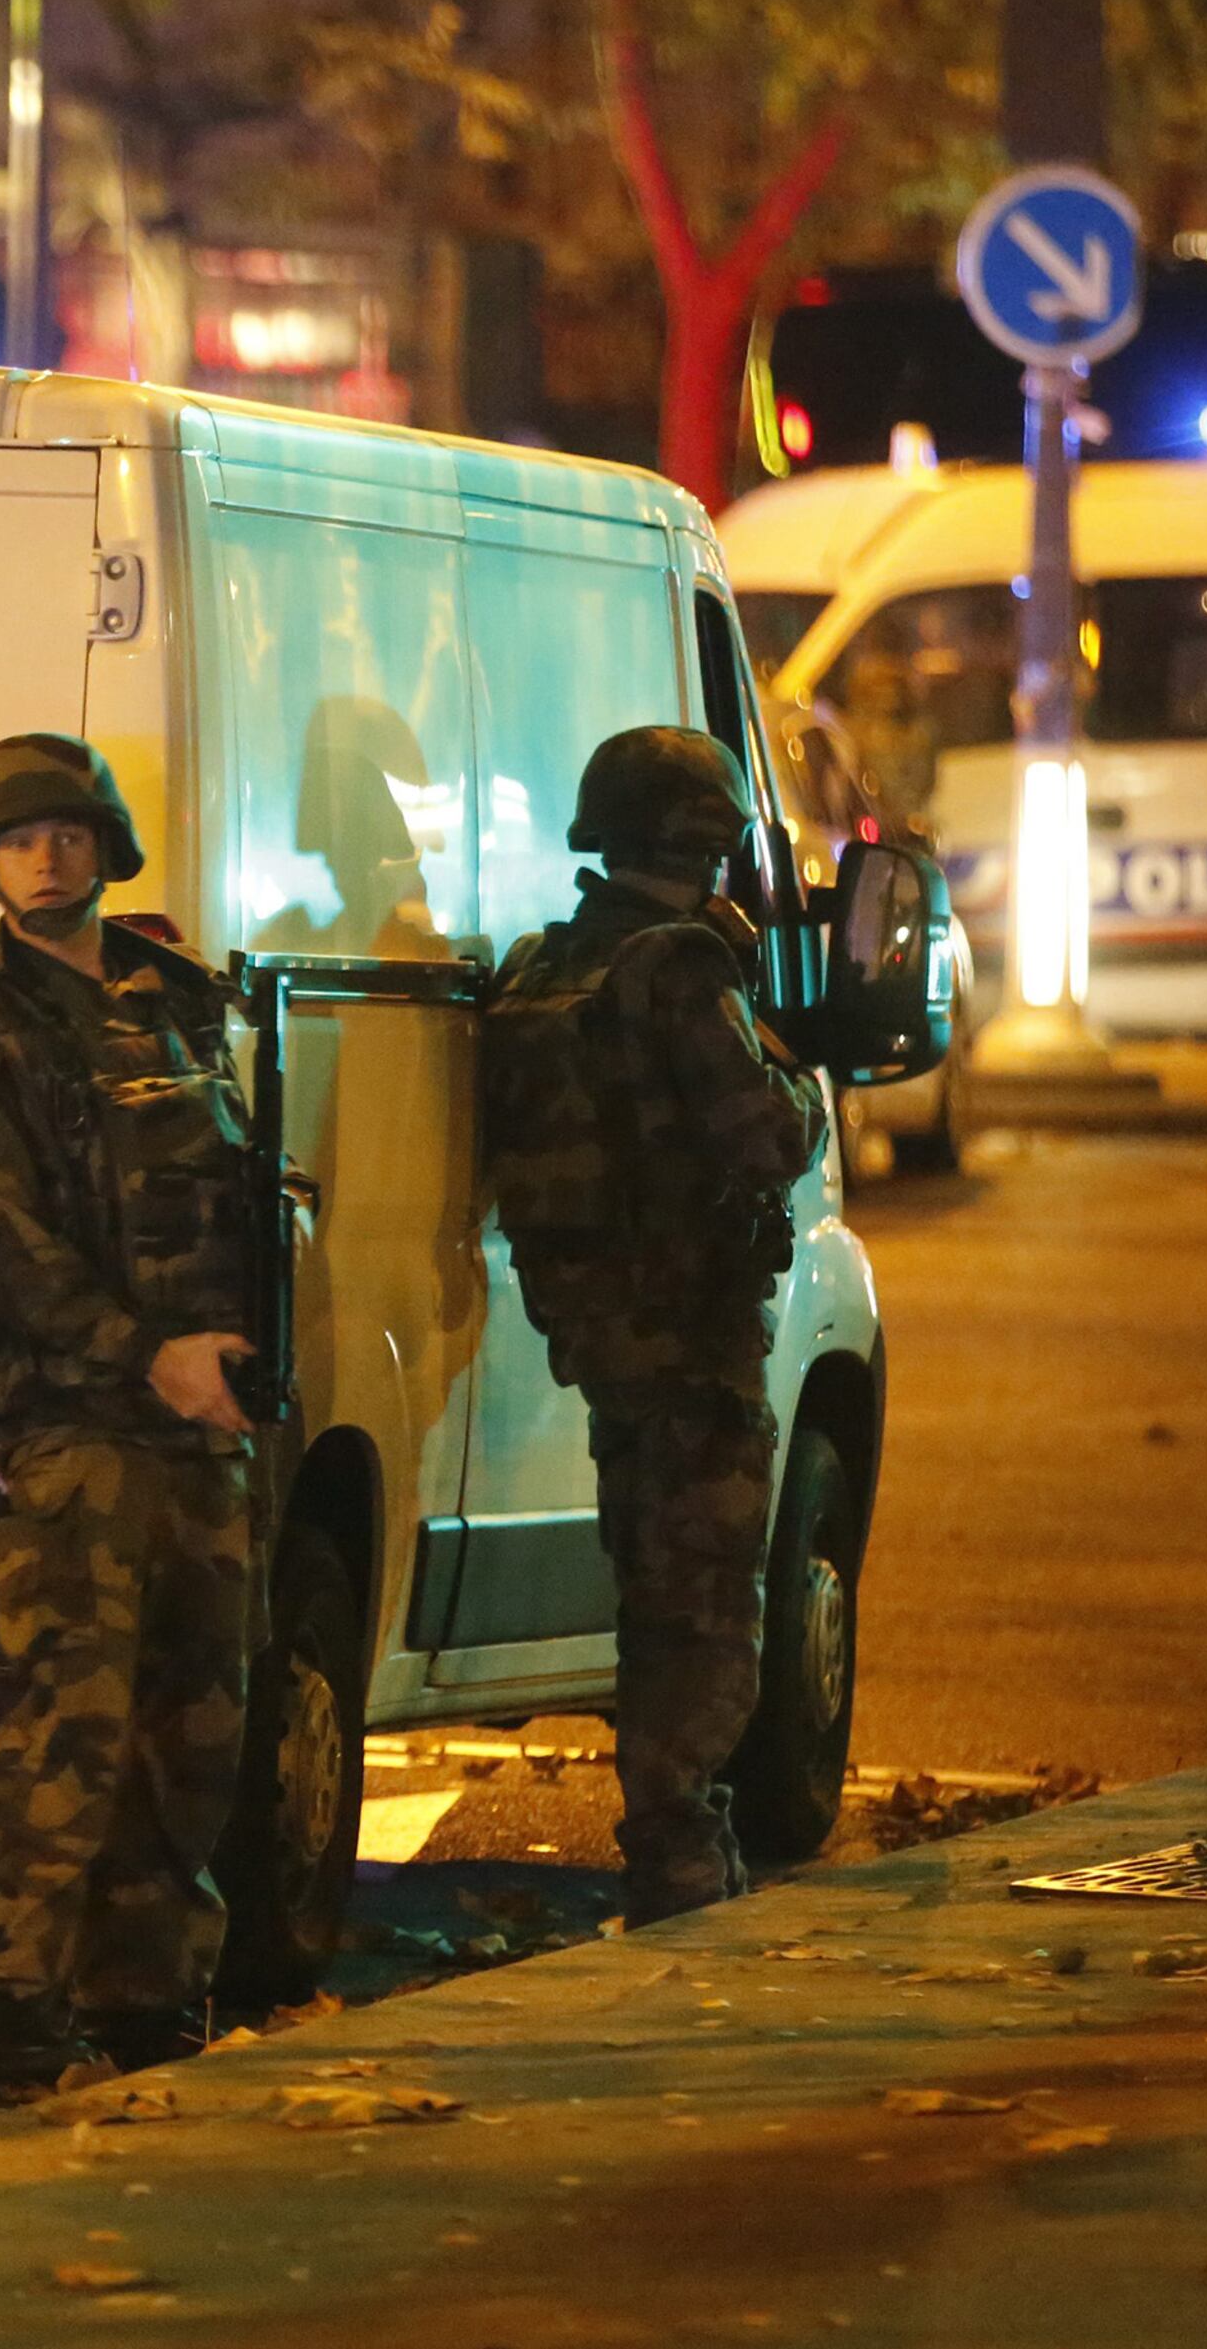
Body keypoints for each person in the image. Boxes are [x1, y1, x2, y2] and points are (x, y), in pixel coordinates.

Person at [0, 733, 265, 2086]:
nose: (47, 854)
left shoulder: (179, 1002)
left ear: (105, 842)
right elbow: (3, 1242)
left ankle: (146, 1988)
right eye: (17, 836)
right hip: (73, 1417)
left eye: (67, 829)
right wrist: (143, 1350)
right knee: (75, 1713)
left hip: (197, 1415)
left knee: (197, 1718)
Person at [481, 725, 826, 1925]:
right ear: (710, 840)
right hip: (694, 1340)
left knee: (652, 1597)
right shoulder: (682, 970)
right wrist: (795, 1065)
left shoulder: (540, 966)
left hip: (603, 1339)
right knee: (708, 1620)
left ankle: (673, 1843)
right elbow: (774, 1137)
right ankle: (678, 1858)